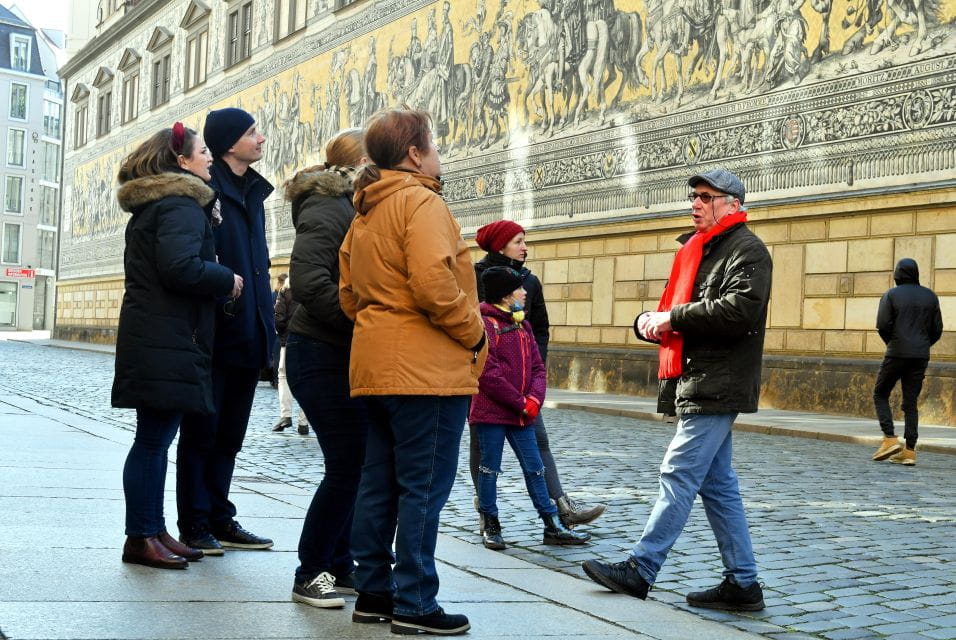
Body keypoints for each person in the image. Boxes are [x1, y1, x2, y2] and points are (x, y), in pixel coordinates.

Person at [581, 168, 772, 612]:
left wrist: (674, 318)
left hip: (718, 382)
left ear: (733, 204)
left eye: (707, 197)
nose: (696, 203)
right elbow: (675, 309)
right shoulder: (695, 251)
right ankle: (743, 584)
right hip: (697, 377)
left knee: (678, 471)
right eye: (694, 196)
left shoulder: (748, 250)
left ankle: (641, 568)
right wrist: (651, 321)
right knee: (718, 484)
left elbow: (738, 310)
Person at [339, 108, 487, 636]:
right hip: (427, 370)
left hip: (376, 364)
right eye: (434, 145)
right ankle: (417, 603)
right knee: (422, 487)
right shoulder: (420, 201)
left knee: (378, 482)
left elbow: (349, 296)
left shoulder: (364, 211)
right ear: (414, 154)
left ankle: (374, 591)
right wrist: (475, 333)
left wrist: (384, 327)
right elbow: (433, 283)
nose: (438, 155)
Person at [112, 123, 240, 569]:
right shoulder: (182, 205)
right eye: (203, 151)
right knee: (153, 440)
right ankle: (141, 535)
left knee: (155, 439)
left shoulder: (158, 204)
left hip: (157, 335)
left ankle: (152, 528)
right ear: (182, 162)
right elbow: (181, 267)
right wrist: (228, 279)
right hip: (167, 338)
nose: (209, 158)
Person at [176, 108, 276, 555]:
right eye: (252, 132)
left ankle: (220, 516)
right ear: (229, 143)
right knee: (202, 434)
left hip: (250, 333)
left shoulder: (253, 191)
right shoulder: (204, 192)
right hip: (214, 334)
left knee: (230, 436)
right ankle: (194, 524)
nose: (260, 138)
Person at [282, 129, 370, 609]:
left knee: (354, 464)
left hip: (339, 352)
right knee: (344, 465)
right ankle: (310, 573)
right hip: (318, 352)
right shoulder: (327, 206)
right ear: (359, 162)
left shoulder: (351, 207)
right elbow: (310, 282)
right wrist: (362, 323)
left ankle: (340, 565)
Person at [472, 219, 606, 530]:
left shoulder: (529, 281)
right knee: (483, 450)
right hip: (486, 381)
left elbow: (540, 328)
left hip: (522, 385)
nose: (525, 247)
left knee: (538, 441)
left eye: (524, 240)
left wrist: (535, 372)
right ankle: (487, 514)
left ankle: (560, 508)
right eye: (518, 241)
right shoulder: (475, 276)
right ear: (500, 245)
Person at [870, 258, 943, 466]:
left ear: (898, 273)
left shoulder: (891, 295)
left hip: (897, 352)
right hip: (920, 355)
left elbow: (883, 325)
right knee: (910, 403)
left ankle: (890, 439)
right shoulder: (930, 296)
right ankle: (910, 451)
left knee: (880, 393)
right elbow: (937, 329)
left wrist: (893, 343)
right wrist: (923, 345)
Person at [273, 275, 310, 434]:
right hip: (310, 339)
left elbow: (279, 318)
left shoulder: (285, 291)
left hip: (288, 339)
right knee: (308, 379)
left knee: (284, 376)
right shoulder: (313, 288)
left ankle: (286, 415)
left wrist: (283, 335)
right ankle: (304, 422)